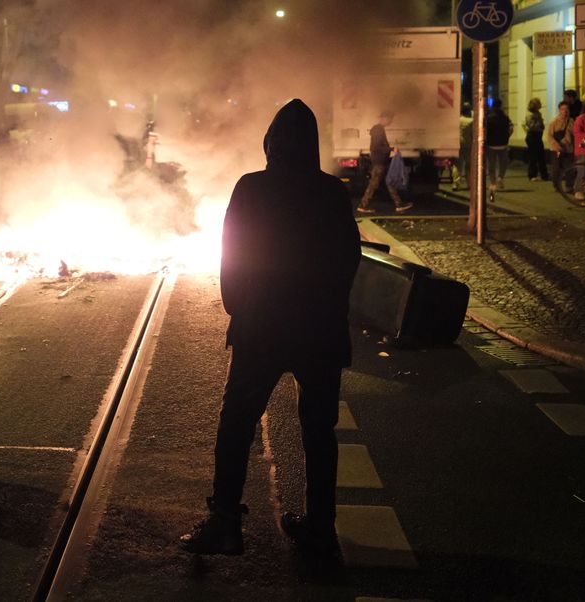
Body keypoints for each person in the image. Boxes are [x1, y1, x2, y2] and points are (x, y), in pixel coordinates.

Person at [180, 99, 361, 576]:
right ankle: (320, 527)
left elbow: (232, 253)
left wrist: (237, 305)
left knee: (237, 422)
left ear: (271, 143)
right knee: (319, 432)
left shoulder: (252, 187)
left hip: (262, 326)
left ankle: (224, 522)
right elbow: (349, 259)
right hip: (319, 331)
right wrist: (332, 310)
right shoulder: (332, 192)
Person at [356, 110, 413, 214]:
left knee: (389, 182)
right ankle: (363, 205)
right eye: (389, 119)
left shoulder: (379, 129)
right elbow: (375, 147)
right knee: (374, 184)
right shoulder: (378, 130)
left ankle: (399, 204)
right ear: (384, 118)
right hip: (379, 162)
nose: (390, 121)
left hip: (381, 161)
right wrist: (391, 149)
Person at [485, 98, 513, 190]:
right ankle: (500, 177)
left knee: (491, 165)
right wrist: (507, 137)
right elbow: (511, 128)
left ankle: (493, 183)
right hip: (503, 144)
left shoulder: (488, 118)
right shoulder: (505, 117)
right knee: (503, 163)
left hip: (491, 144)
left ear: (492, 106)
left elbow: (484, 130)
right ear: (501, 106)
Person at [547, 101, 574, 189]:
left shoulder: (572, 121)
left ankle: (569, 186)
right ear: (559, 110)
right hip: (556, 149)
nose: (565, 111)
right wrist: (556, 146)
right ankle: (556, 185)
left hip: (568, 148)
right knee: (556, 169)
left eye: (566, 109)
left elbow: (574, 134)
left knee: (569, 168)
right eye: (562, 109)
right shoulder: (554, 122)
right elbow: (549, 136)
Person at [524, 98, 549, 182]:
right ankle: (532, 175)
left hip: (538, 135)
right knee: (533, 156)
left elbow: (541, 125)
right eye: (538, 103)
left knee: (541, 155)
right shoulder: (530, 115)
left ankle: (544, 175)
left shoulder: (538, 114)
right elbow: (531, 126)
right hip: (532, 136)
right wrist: (539, 123)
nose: (540, 105)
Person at [455, 102, 473, 190]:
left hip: (458, 144)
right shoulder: (471, 121)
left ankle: (456, 183)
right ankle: (469, 183)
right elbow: (473, 134)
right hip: (468, 145)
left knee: (457, 165)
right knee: (468, 165)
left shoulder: (458, 120)